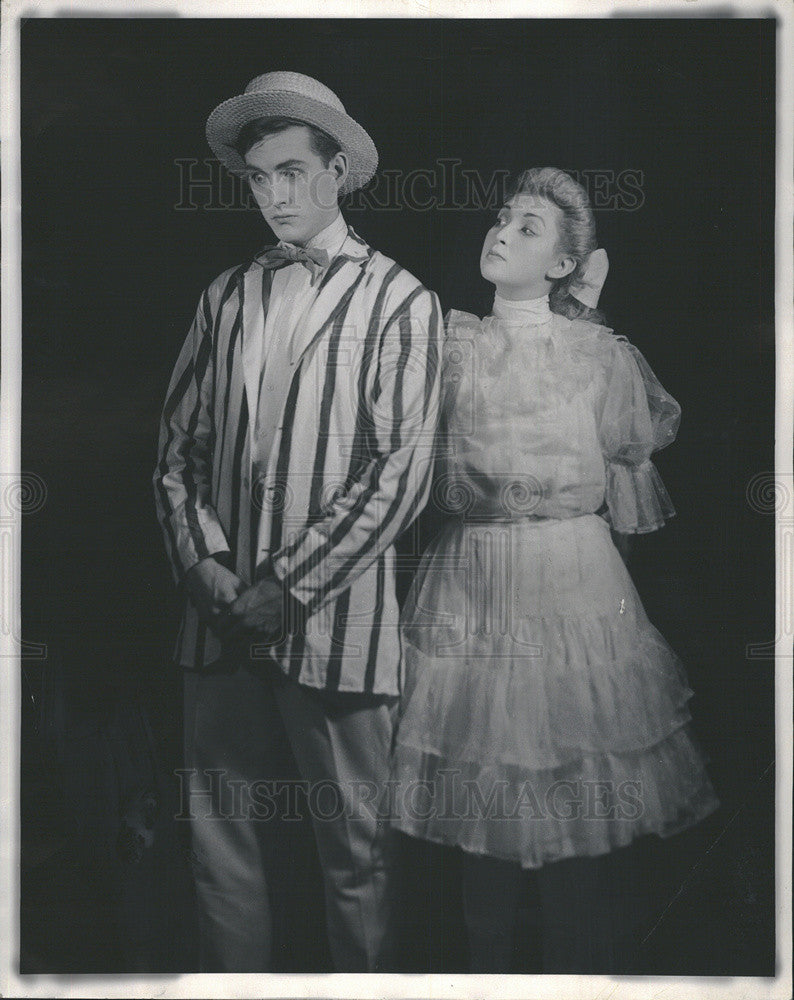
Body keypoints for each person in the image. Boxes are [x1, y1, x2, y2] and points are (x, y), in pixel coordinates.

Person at [390, 167, 719, 973]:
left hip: (573, 577)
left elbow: (627, 500)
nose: (502, 232)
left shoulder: (597, 355)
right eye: (502, 218)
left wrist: (604, 629)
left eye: (528, 228)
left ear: (567, 265)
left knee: (577, 800)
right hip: (471, 575)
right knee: (485, 812)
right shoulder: (451, 342)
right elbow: (412, 482)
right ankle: (486, 977)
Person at [153, 71, 442, 972]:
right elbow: (177, 455)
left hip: (339, 629)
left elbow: (401, 475)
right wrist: (212, 576)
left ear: (338, 169)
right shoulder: (226, 296)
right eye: (256, 177)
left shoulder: (402, 300)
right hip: (220, 621)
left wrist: (287, 588)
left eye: (289, 172)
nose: (271, 195)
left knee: (359, 861)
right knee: (222, 850)